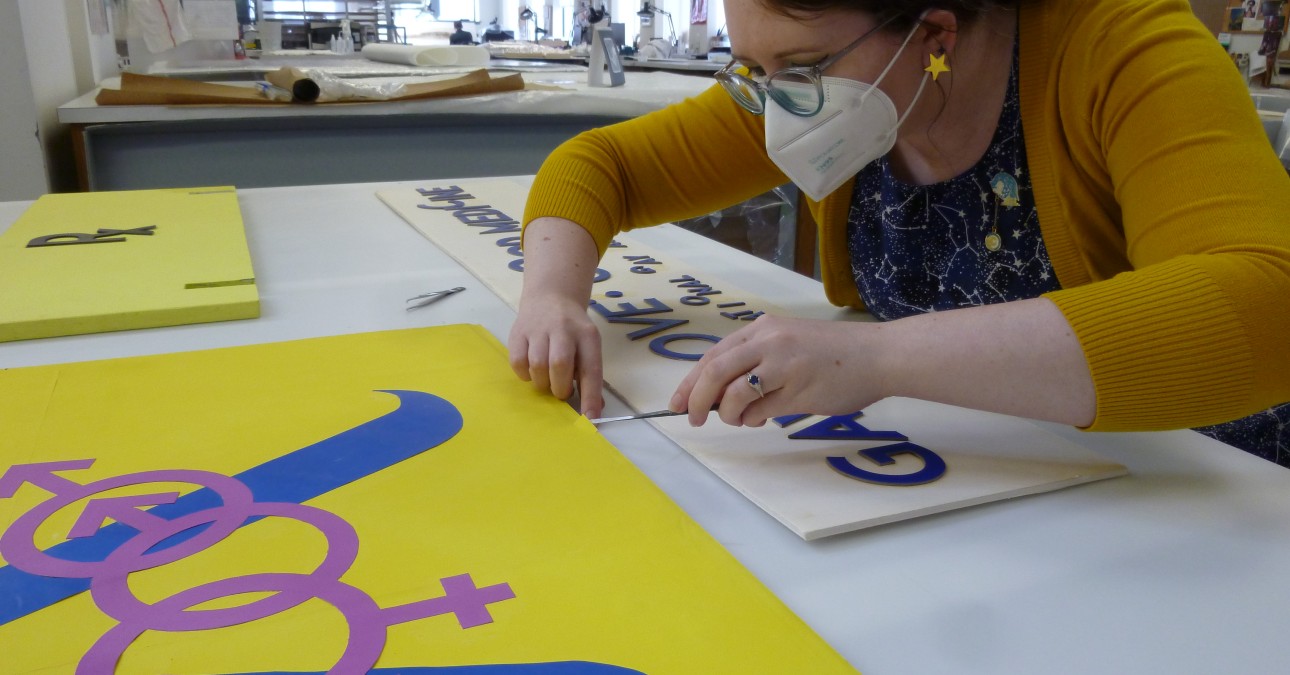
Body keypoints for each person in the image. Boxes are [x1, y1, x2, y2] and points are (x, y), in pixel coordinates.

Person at [508, 0, 1290, 465]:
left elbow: (1265, 304)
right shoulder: (821, 89)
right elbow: (601, 165)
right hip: (1019, 477)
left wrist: (878, 359)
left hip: (1214, 482)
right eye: (752, 70)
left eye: (799, 68)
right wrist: (552, 295)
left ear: (936, 34)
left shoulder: (1120, 48)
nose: (774, 101)